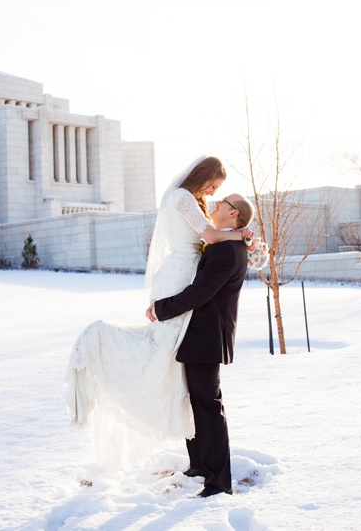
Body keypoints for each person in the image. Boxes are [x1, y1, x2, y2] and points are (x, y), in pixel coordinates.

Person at [66, 156, 250, 470]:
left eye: (218, 191)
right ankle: (202, 465)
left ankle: (210, 470)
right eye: (212, 186)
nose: (211, 194)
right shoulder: (183, 198)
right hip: (181, 276)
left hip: (188, 290)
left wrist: (240, 237)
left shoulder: (193, 206)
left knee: (196, 393)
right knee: (183, 381)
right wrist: (242, 234)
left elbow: (206, 263)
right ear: (202, 176)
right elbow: (208, 236)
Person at [148, 193, 255, 497]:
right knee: (195, 404)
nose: (217, 202)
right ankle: (200, 465)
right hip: (198, 336)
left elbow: (199, 293)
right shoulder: (228, 244)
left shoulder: (227, 251)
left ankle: (219, 481)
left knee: (209, 406)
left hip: (207, 336)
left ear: (234, 215)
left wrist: (160, 308)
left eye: (225, 201)